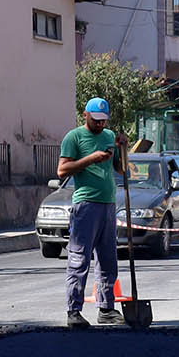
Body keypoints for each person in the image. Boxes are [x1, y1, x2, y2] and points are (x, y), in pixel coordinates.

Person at [59, 97, 120, 328]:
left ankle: (106, 309)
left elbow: (120, 168)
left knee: (108, 260)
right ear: (85, 115)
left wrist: (122, 147)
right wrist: (90, 159)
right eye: (96, 121)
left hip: (108, 204)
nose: (100, 125)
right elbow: (62, 170)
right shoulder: (73, 137)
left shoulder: (109, 137)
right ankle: (73, 311)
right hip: (85, 205)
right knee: (79, 259)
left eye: (104, 121)